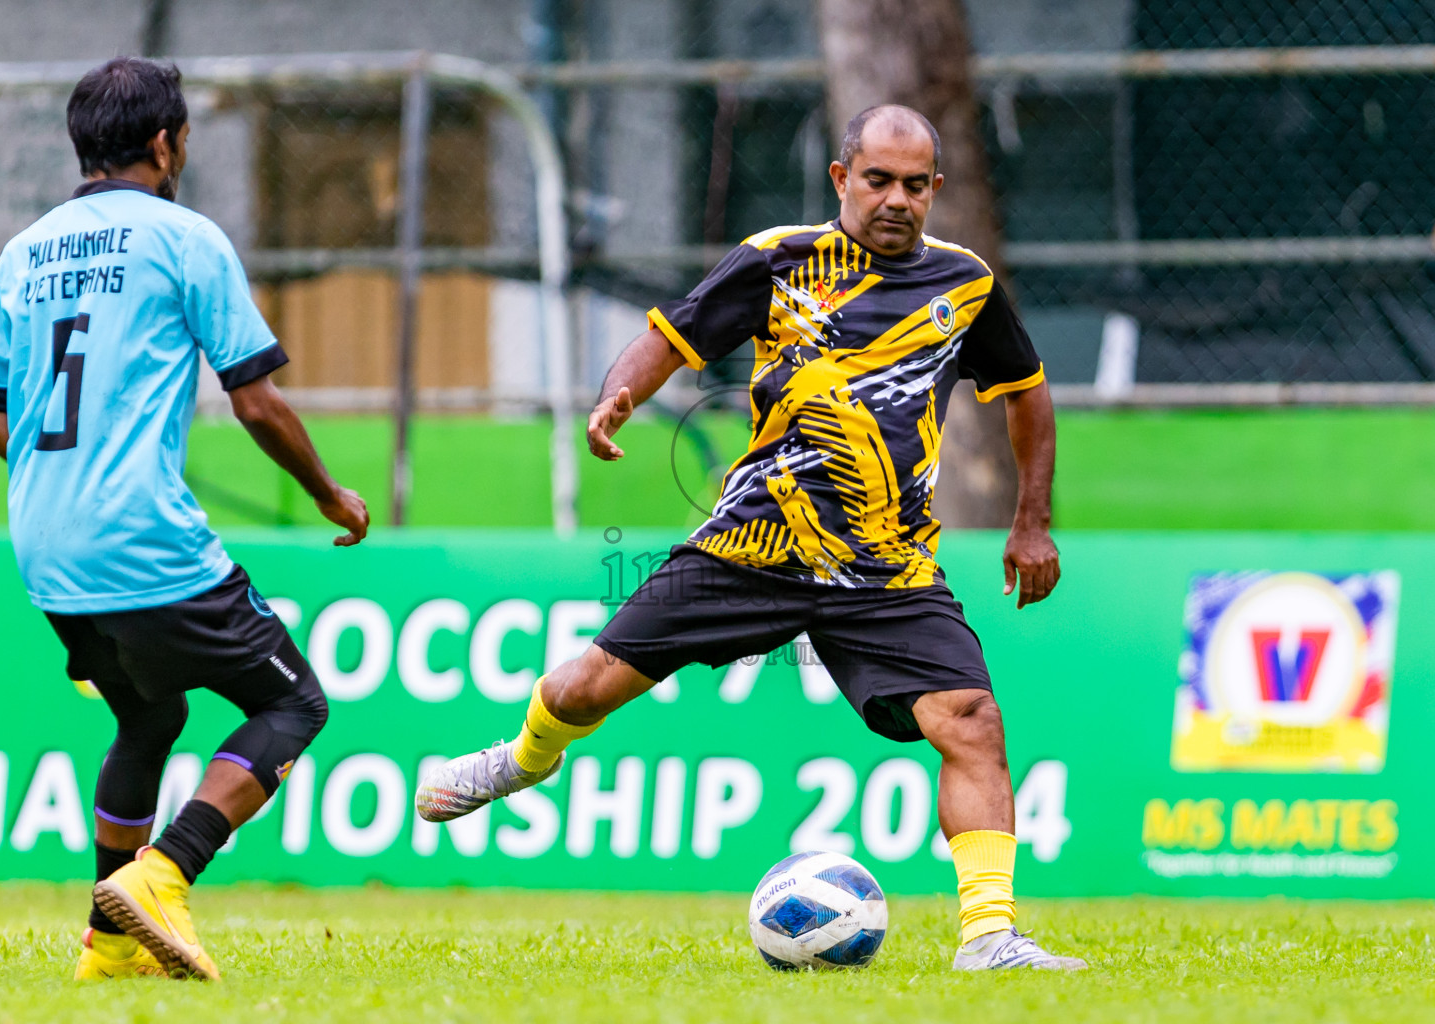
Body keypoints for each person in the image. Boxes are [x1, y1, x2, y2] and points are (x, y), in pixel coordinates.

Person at [418, 104, 1084, 972]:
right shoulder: (778, 260)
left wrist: (1030, 521)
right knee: (583, 690)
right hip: (755, 544)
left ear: (935, 191)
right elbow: (670, 337)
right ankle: (523, 759)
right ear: (842, 179)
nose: (895, 200)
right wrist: (619, 395)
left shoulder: (965, 285)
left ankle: (990, 937)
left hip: (886, 563)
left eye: (914, 185)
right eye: (877, 180)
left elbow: (1027, 394)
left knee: (971, 719)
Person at [0, 57, 369, 981]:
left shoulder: (21, 254)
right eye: (185, 134)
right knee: (291, 702)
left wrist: (54, 469)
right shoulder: (183, 238)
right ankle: (164, 873)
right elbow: (257, 401)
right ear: (165, 143)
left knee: (147, 719)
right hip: (141, 534)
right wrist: (330, 494)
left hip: (44, 543)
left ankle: (112, 945)